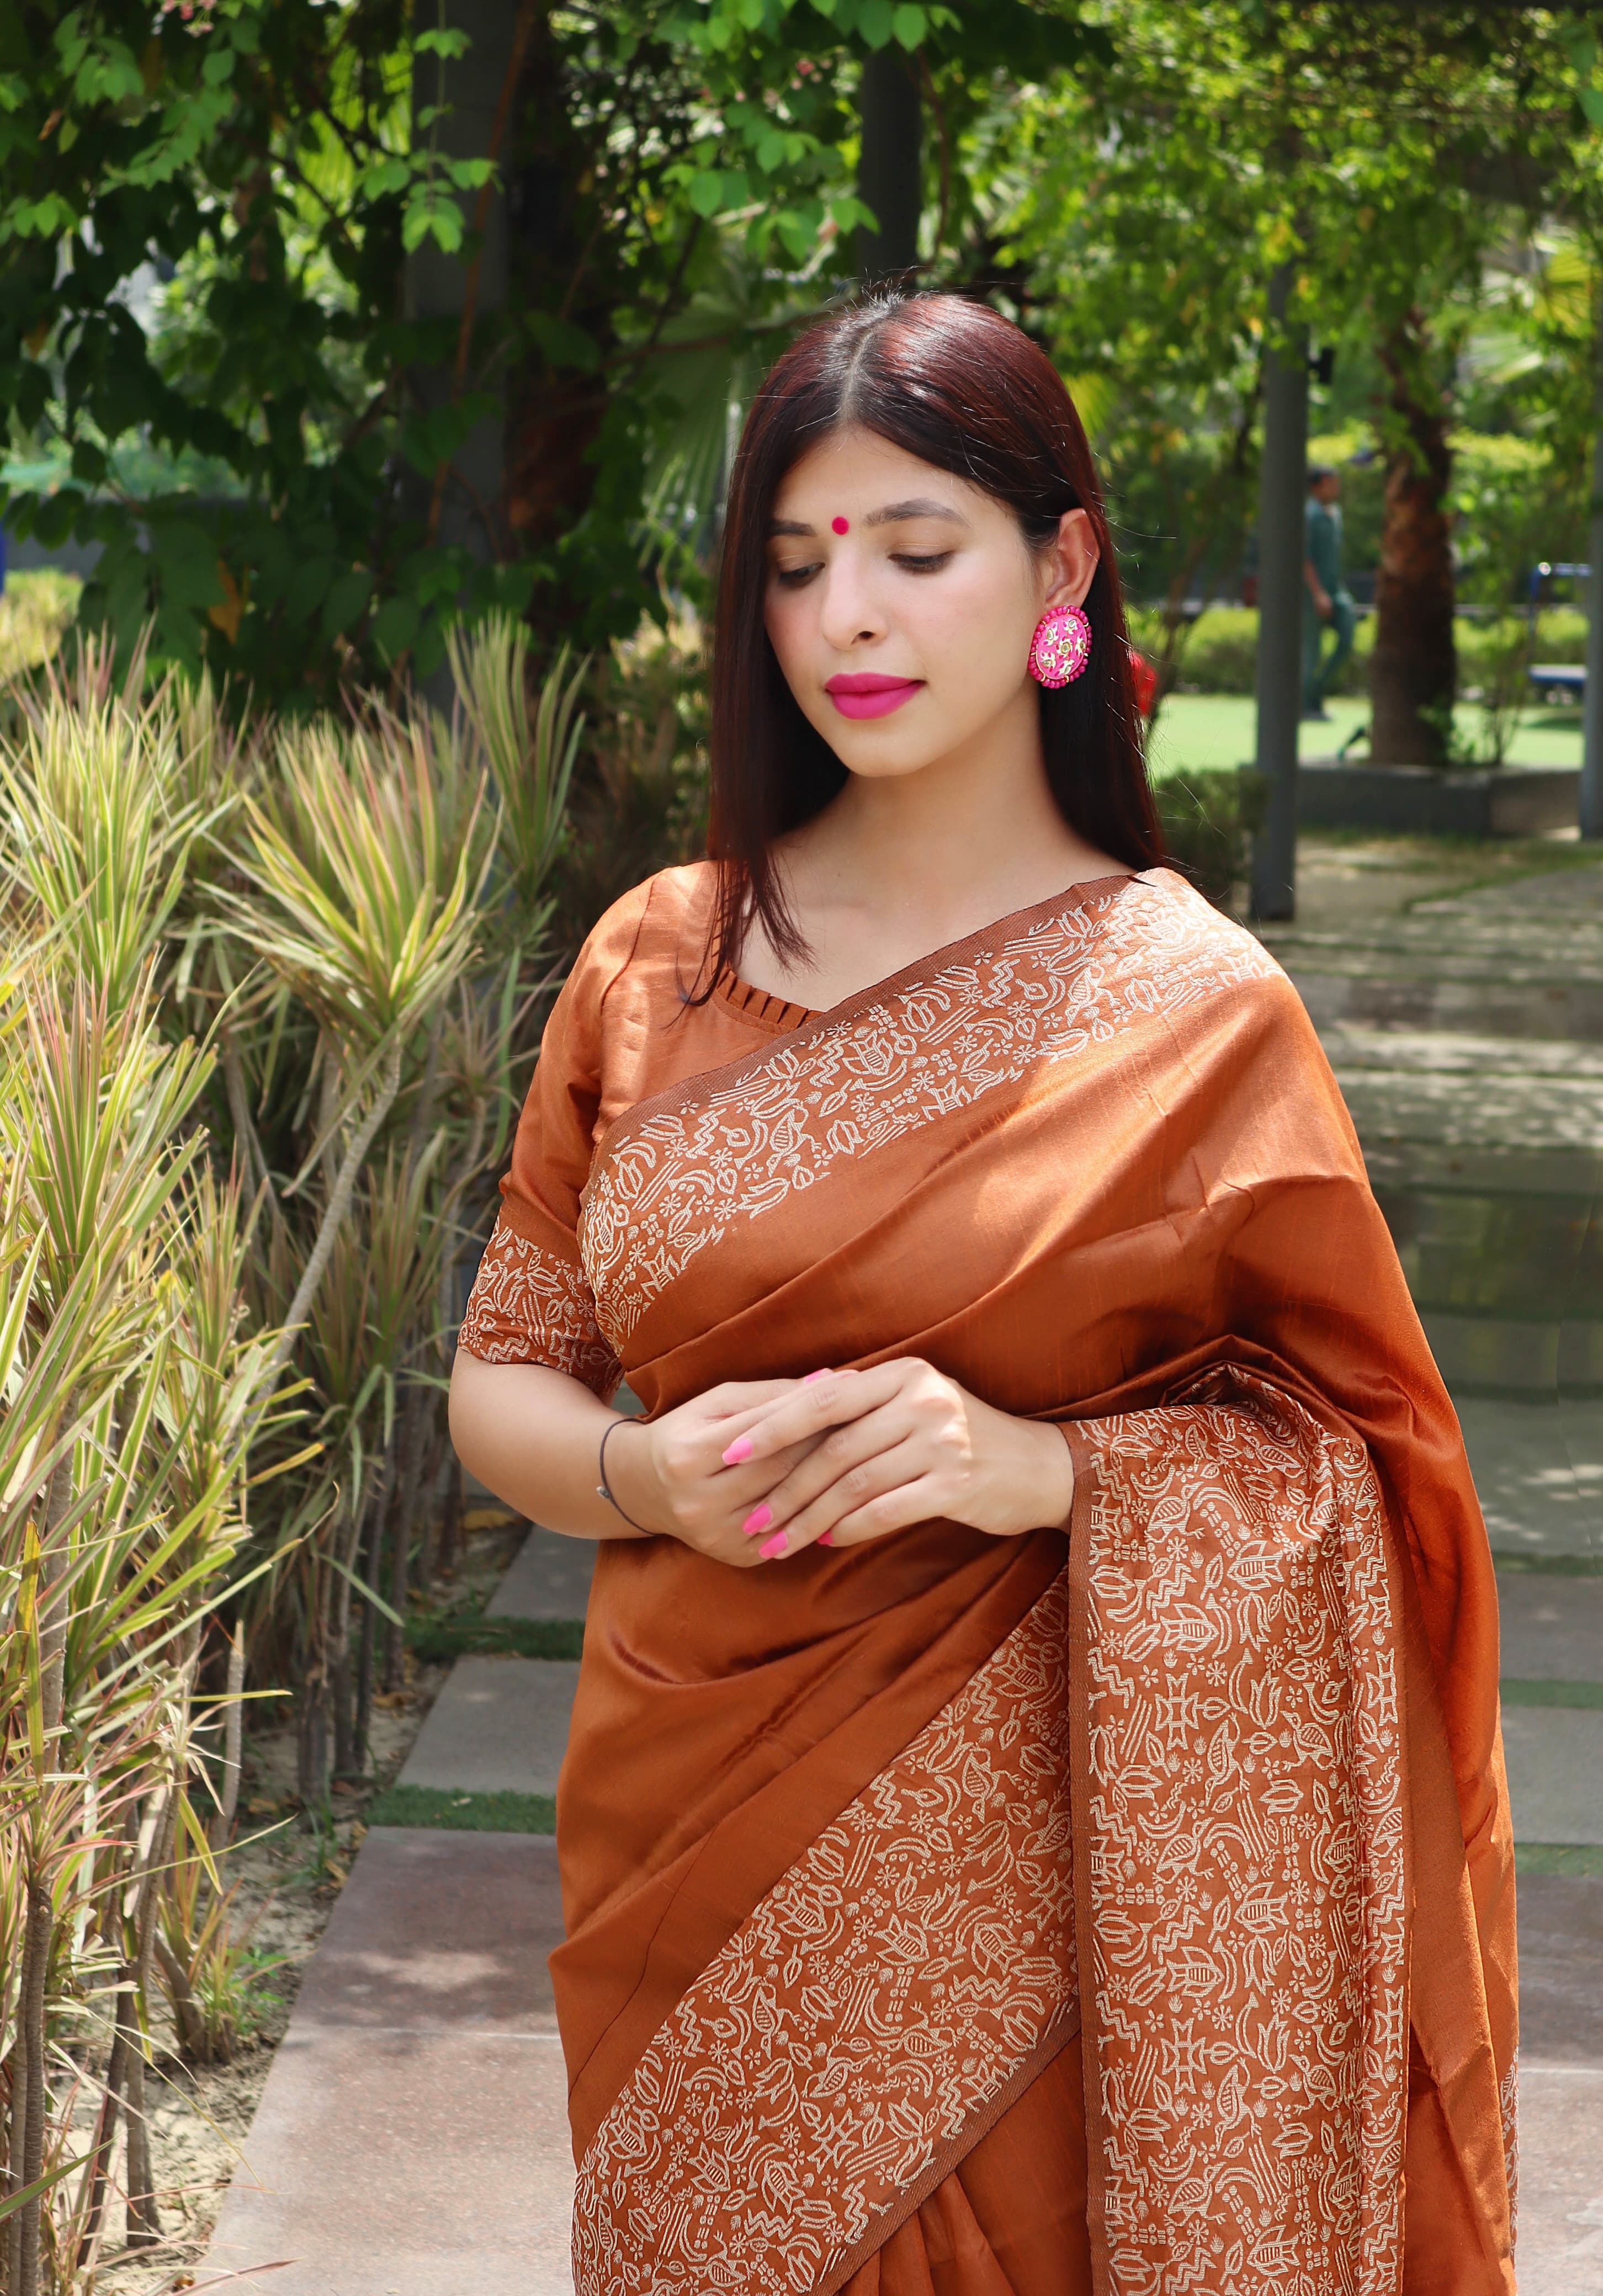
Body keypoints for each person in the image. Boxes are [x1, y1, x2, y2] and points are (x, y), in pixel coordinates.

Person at [449, 294, 1516, 2295]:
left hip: (1042, 1922)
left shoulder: (1194, 1018)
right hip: (687, 1875)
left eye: (915, 550)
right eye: (795, 561)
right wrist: (642, 1475)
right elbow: (505, 1381)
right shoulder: (661, 964)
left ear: (1065, 566)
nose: (846, 613)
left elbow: (1372, 1498)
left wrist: (1047, 1473)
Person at [1303, 463, 1357, 720]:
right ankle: (1306, 705)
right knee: (1311, 651)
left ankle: (1316, 690)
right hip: (1312, 594)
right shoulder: (1308, 515)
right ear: (1316, 486)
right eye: (1330, 482)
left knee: (1347, 636)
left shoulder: (1335, 513)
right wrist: (1317, 593)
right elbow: (1304, 558)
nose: (1336, 487)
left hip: (1337, 591)